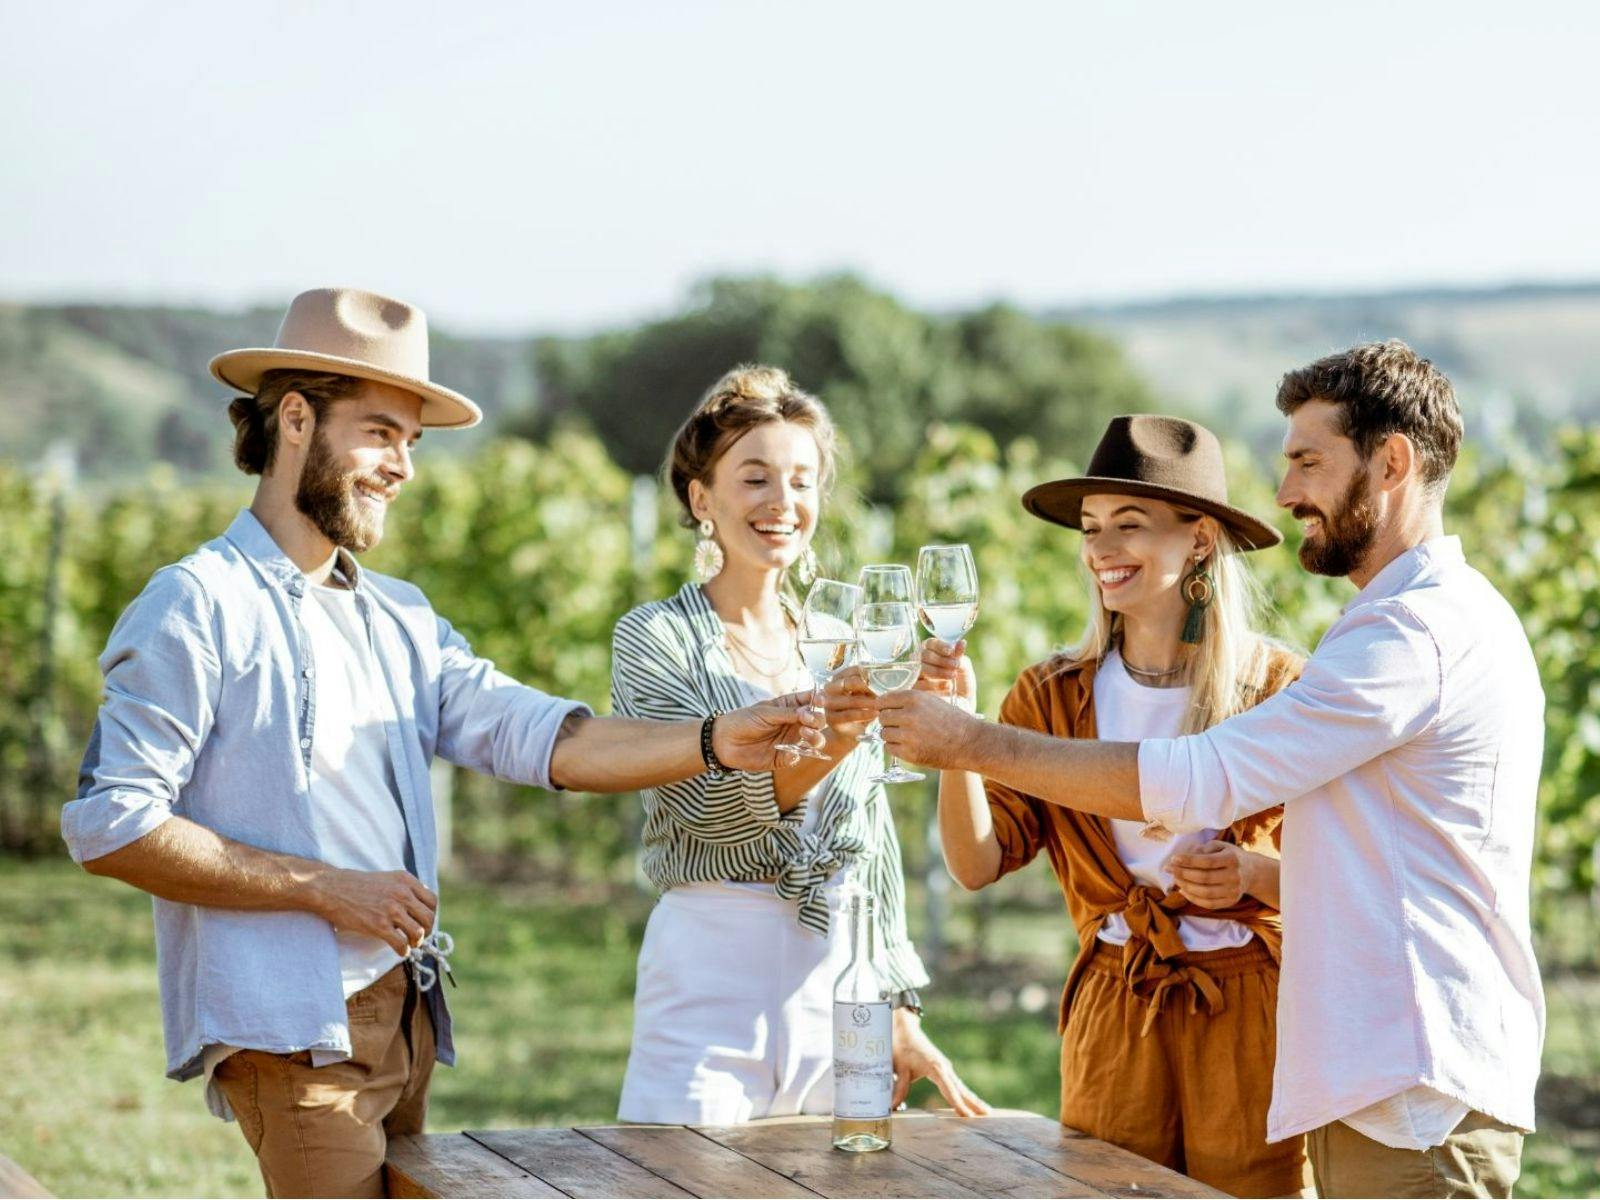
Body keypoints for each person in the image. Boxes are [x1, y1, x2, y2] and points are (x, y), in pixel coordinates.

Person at [59, 288, 824, 1199]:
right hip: (293, 1025)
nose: (403, 468)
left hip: (407, 1011)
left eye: (411, 443)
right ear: (296, 419)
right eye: (382, 433)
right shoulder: (199, 602)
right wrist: (330, 889)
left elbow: (544, 737)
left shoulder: (401, 618)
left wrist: (712, 739)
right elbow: (111, 822)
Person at [875, 341, 1543, 1199]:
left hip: (1395, 1073)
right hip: (1351, 1066)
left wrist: (965, 742)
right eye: (1092, 529)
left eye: (1307, 460)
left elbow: (1202, 777)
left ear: (1393, 462)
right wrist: (965, 744)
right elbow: (1364, 863)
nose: (1287, 490)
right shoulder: (1405, 626)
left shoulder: (1390, 643)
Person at [903, 414, 1309, 1196]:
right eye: (1091, 529)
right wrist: (961, 741)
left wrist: (1253, 877)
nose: (1101, 550)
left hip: (1252, 1007)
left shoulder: (1282, 690)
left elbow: (1343, 876)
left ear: (1198, 540)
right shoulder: (1053, 695)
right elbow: (976, 866)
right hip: (1120, 1004)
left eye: (1130, 525)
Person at [610, 364, 986, 1124]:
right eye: (755, 479)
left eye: (803, 481)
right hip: (710, 977)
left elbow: (870, 843)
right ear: (701, 499)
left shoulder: (845, 645)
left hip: (839, 986)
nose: (783, 503)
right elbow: (706, 807)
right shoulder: (654, 638)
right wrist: (840, 738)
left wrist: (898, 1003)